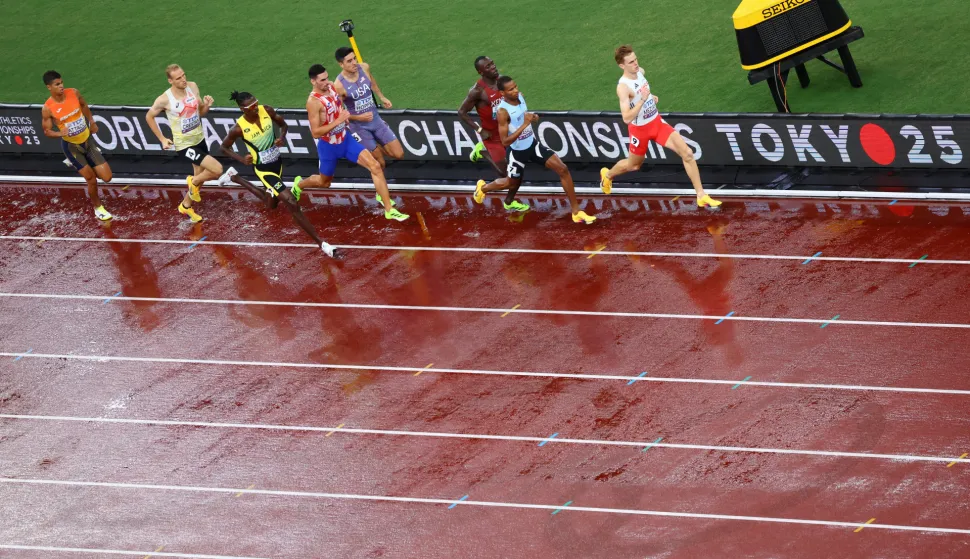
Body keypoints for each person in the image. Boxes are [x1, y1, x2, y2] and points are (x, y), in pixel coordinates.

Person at [219, 91, 341, 258]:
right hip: (264, 170)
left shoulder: (267, 111)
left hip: (277, 165)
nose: (256, 108)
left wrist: (281, 138)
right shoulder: (238, 128)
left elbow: (284, 125)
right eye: (252, 107)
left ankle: (235, 177)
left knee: (271, 205)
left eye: (256, 103)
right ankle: (322, 243)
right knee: (291, 201)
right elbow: (223, 148)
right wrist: (242, 159)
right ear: (243, 109)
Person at [599, 45, 721, 208]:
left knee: (687, 153)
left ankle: (701, 195)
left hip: (656, 123)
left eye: (636, 59)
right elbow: (627, 118)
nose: (636, 63)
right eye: (631, 62)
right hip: (639, 130)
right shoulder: (623, 87)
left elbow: (642, 89)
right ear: (622, 66)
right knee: (633, 165)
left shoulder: (639, 72)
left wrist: (650, 97)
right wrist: (643, 100)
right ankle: (607, 175)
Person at [293, 64, 409, 222]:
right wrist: (338, 120)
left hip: (346, 139)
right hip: (329, 146)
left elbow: (342, 105)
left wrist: (346, 117)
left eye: (327, 77)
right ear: (313, 81)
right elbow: (315, 132)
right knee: (324, 182)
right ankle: (299, 185)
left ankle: (389, 209)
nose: (327, 82)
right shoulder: (313, 102)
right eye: (323, 80)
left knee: (375, 166)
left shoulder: (333, 87)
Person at [474, 76, 596, 224]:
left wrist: (534, 118)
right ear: (502, 93)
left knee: (563, 169)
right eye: (511, 89)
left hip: (532, 145)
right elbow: (505, 140)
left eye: (515, 86)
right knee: (509, 183)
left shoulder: (520, 97)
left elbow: (525, 115)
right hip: (517, 152)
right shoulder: (502, 112)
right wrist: (525, 124)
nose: (516, 90)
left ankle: (576, 212)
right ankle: (483, 188)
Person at [145, 64, 231, 222]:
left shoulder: (192, 87)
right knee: (216, 170)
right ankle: (193, 181)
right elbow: (149, 117)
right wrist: (162, 139)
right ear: (170, 81)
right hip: (185, 145)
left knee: (199, 178)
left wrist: (207, 105)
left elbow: (200, 113)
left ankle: (185, 206)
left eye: (184, 75)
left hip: (199, 139)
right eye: (178, 78)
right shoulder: (164, 99)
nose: (183, 79)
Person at [41, 71, 113, 221]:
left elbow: (84, 105)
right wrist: (60, 133)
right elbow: (47, 131)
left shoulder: (73, 93)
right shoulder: (48, 108)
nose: (61, 86)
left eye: (61, 83)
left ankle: (86, 163)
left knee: (107, 177)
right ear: (49, 87)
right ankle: (98, 208)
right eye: (57, 84)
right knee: (91, 179)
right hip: (72, 147)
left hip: (88, 141)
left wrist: (92, 122)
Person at [332, 46, 404, 174]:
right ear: (341, 64)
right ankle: (380, 192)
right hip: (360, 127)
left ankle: (375, 147)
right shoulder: (339, 85)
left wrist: (381, 97)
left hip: (376, 120)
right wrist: (359, 118)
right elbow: (339, 114)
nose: (354, 62)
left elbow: (372, 81)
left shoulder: (364, 67)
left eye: (354, 58)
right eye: (349, 61)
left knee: (398, 154)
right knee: (379, 163)